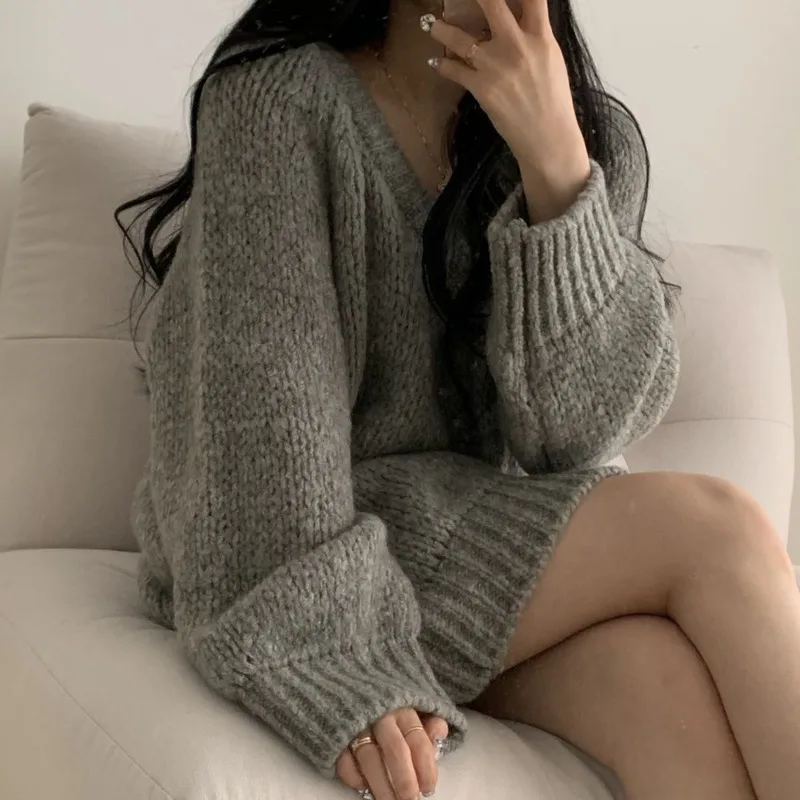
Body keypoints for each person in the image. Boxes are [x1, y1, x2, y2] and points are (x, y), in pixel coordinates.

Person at [116, 0, 800, 798]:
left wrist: (555, 166)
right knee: (717, 529)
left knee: (658, 687)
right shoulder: (277, 104)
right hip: (312, 543)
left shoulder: (590, 137)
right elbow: (260, 438)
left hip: (482, 566)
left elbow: (580, 438)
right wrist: (329, 651)